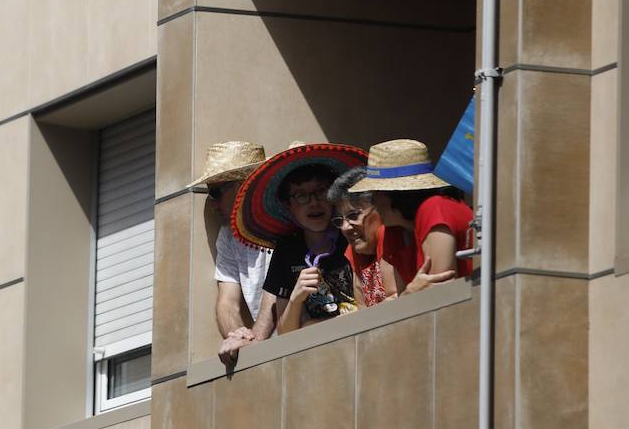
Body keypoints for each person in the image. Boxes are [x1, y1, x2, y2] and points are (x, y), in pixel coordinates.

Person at [232, 143, 368, 335]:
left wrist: (310, 325)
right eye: (301, 195)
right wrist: (296, 298)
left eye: (321, 191)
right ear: (288, 206)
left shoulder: (352, 235)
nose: (313, 202)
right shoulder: (287, 250)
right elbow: (285, 332)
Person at [348, 139, 475, 279]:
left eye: (375, 192)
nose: (372, 200)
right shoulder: (398, 229)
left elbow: (442, 289)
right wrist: (411, 292)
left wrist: (412, 292)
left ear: (393, 193)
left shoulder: (434, 208)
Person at [328, 167, 453, 306]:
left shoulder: (391, 232)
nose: (345, 227)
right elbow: (363, 309)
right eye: (339, 221)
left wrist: (409, 293)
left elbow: (440, 292)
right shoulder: (355, 248)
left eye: (353, 216)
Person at [192, 142, 269, 366]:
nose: (213, 205)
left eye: (215, 193)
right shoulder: (228, 236)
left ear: (243, 185)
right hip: (268, 351)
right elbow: (227, 303)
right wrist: (239, 337)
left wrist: (254, 340)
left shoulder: (283, 223)